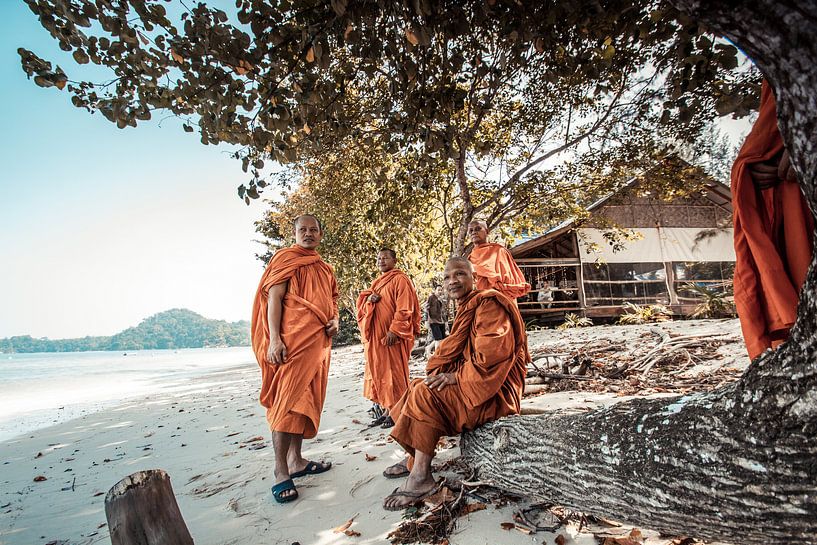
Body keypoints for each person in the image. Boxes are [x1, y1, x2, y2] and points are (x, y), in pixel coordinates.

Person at [381, 257, 530, 510]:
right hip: (477, 382)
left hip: (495, 391)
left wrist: (455, 377)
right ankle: (415, 459)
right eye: (448, 277)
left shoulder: (489, 305)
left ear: (473, 277)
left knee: (425, 395)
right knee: (416, 387)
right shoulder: (467, 306)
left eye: (460, 274)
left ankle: (420, 479)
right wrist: (451, 374)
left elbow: (491, 357)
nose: (453, 281)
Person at [251, 214, 339, 504]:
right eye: (303, 230)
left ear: (321, 234)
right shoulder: (285, 259)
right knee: (286, 402)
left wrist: (335, 321)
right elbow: (273, 300)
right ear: (295, 233)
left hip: (318, 345)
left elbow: (333, 302)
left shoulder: (325, 268)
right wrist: (274, 339)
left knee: (305, 402)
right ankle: (280, 471)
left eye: (314, 229)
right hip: (292, 342)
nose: (309, 234)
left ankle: (297, 461)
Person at [732, 80, 815, 359]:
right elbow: (773, 121)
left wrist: (805, 146)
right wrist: (756, 162)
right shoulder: (782, 72)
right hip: (785, 184)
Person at [356, 248, 421, 428]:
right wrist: (370, 300)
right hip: (377, 338)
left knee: (395, 374)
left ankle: (397, 412)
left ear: (394, 260)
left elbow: (405, 307)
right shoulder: (377, 283)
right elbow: (363, 306)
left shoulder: (400, 280)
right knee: (382, 373)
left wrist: (395, 329)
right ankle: (387, 410)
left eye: (385, 258)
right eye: (378, 258)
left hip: (392, 336)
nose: (381, 261)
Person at [466, 220, 531, 304]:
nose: (474, 232)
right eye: (471, 230)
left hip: (500, 301)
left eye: (478, 229)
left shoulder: (499, 251)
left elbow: (509, 281)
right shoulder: (470, 258)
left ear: (487, 231)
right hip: (479, 302)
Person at [425, 285, 447, 357]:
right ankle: (437, 356)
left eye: (441, 290)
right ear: (435, 290)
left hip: (441, 321)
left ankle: (429, 348)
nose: (440, 291)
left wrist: (446, 322)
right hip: (433, 321)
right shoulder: (431, 297)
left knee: (441, 339)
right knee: (438, 339)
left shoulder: (441, 299)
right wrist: (426, 321)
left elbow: (443, 311)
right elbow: (426, 308)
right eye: (438, 290)